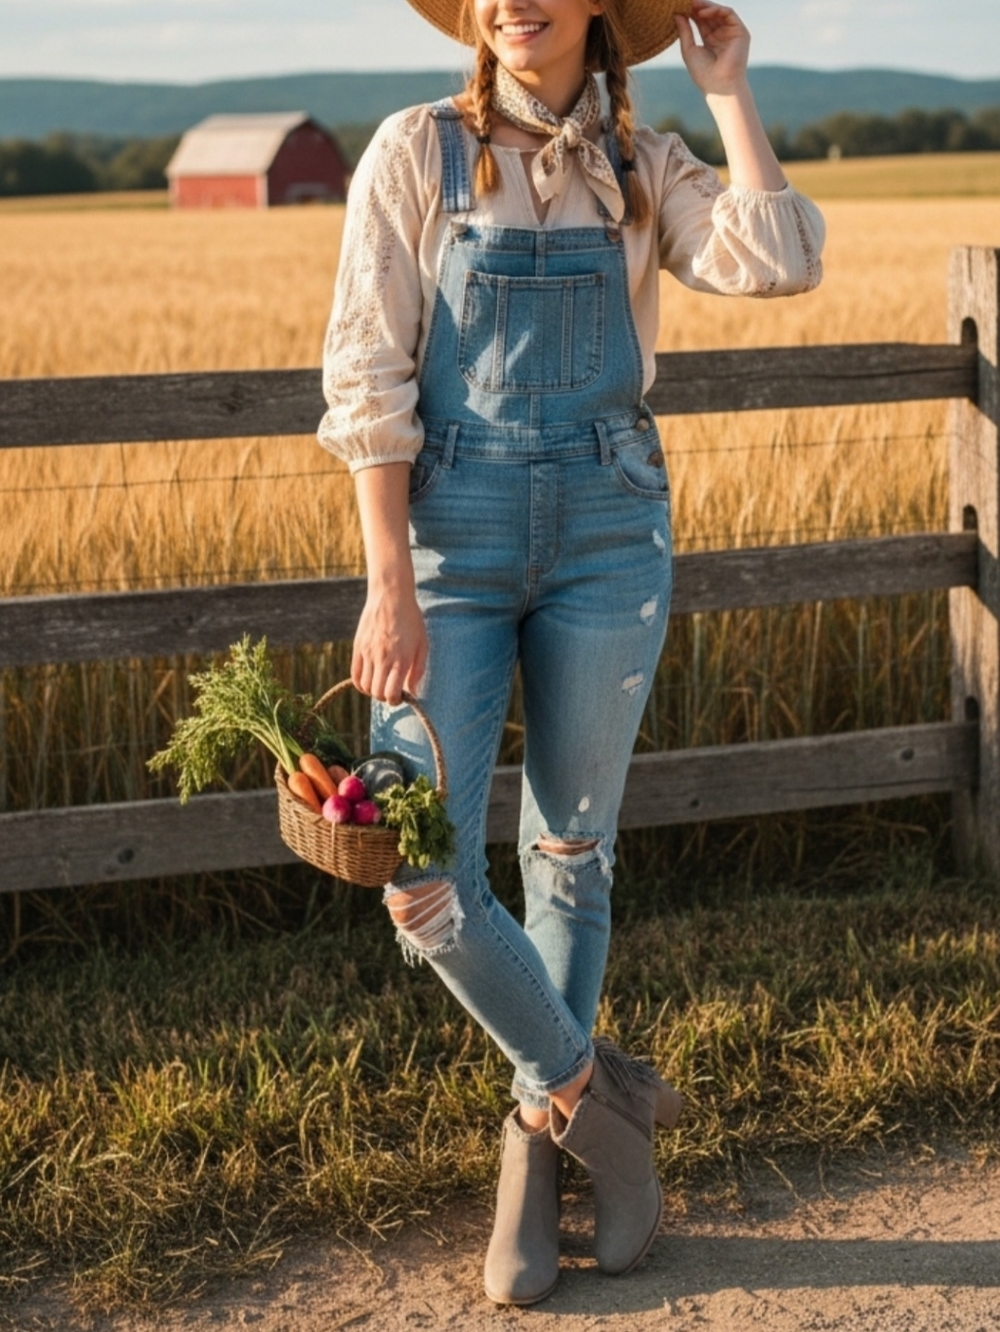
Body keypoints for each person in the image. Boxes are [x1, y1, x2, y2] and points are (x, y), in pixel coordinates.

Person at [319, 0, 825, 1305]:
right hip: (448, 541)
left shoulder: (641, 168)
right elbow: (367, 372)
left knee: (570, 852)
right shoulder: (417, 151)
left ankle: (533, 1155)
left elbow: (780, 261)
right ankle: (597, 1100)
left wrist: (727, 88)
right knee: (417, 870)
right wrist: (388, 587)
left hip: (611, 530)